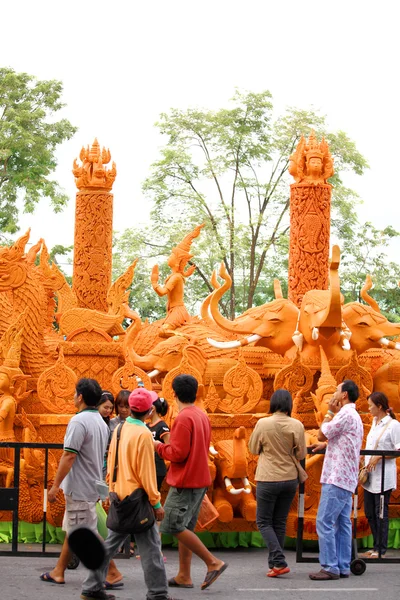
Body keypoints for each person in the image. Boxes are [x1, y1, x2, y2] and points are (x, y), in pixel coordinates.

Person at [81, 387, 177, 600]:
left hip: (120, 496)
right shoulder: (143, 433)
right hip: (137, 498)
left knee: (110, 545)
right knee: (152, 548)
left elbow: (112, 461)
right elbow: (146, 472)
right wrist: (156, 502)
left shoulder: (119, 428)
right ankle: (158, 593)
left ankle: (91, 587)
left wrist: (111, 489)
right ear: (149, 410)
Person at [39, 378, 113, 599]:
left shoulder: (79, 422)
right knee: (75, 530)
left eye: (73, 394)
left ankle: (111, 573)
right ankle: (58, 571)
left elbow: (69, 455)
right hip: (89, 486)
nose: (72, 397)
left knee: (84, 533)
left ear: (80, 396)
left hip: (80, 487)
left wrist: (54, 487)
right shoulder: (100, 421)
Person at [155, 374, 228, 591]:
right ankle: (184, 575)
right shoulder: (201, 415)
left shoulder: (183, 417)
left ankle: (213, 562)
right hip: (199, 479)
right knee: (185, 527)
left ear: (174, 393)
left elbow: (177, 453)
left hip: (185, 480)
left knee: (172, 525)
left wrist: (157, 446)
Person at [309, 380, 363, 580]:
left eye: (336, 390)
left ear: (344, 395)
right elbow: (342, 440)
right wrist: (328, 445)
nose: (334, 394)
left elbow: (322, 434)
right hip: (347, 477)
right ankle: (341, 566)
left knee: (324, 521)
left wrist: (329, 412)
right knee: (342, 523)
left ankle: (330, 567)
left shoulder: (344, 414)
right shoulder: (354, 416)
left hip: (337, 477)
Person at [248, 388, 306, 577]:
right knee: (279, 521)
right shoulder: (297, 424)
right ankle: (275, 564)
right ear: (289, 404)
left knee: (263, 521)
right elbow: (301, 454)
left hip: (268, 477)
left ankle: (278, 561)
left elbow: (253, 449)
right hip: (289, 478)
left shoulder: (263, 423)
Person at [360, 392, 400, 558]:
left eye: (371, 405)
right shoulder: (374, 423)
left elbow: (398, 450)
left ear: (380, 406)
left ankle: (380, 549)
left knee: (380, 512)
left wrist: (379, 456)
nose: (369, 408)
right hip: (371, 476)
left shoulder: (393, 425)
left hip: (384, 477)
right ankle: (375, 546)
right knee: (369, 512)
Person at [147, 396, 170, 491]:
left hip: (157, 468)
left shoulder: (162, 426)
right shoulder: (146, 425)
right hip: (147, 467)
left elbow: (169, 446)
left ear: (152, 408)